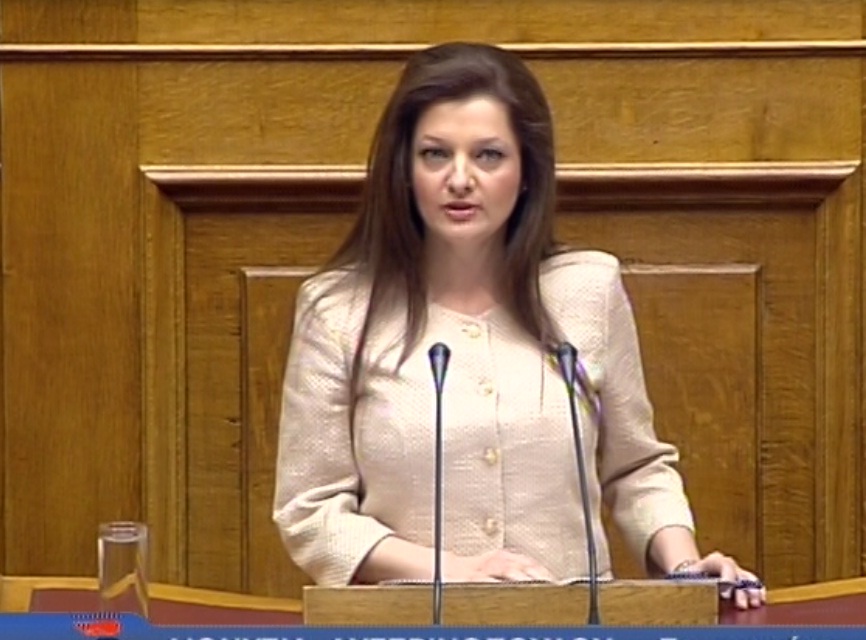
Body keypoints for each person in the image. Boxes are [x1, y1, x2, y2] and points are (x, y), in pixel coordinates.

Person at [272, 41, 766, 610]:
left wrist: (685, 571)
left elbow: (635, 468)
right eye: (435, 155)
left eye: (488, 155)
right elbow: (310, 512)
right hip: (414, 622)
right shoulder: (338, 311)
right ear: (403, 170)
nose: (460, 178)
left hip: (578, 621)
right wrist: (453, 572)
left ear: (527, 170)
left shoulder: (587, 290)